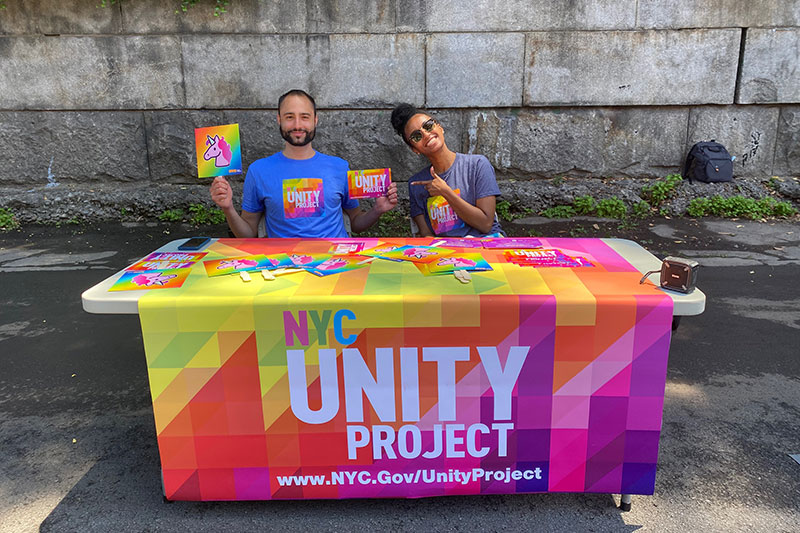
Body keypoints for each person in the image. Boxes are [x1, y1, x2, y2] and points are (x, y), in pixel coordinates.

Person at [210, 89, 398, 238]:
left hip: (336, 264)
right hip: (284, 267)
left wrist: (377, 210)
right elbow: (248, 233)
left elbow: (356, 223)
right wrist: (228, 208)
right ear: (279, 120)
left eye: (305, 117)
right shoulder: (258, 170)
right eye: (290, 117)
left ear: (315, 120)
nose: (297, 125)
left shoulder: (339, 167)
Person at [390, 103, 504, 238]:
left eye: (428, 126)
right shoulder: (416, 184)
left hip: (486, 246)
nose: (426, 134)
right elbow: (427, 235)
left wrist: (445, 192)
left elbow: (485, 224)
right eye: (416, 136)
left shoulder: (478, 165)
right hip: (449, 254)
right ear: (415, 149)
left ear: (440, 127)